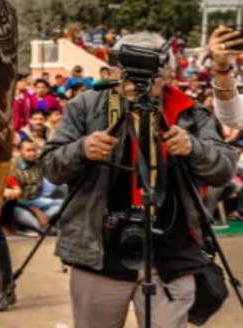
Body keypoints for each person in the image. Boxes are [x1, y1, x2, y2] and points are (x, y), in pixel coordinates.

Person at [40, 32, 238, 328]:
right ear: (116, 69)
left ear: (168, 73)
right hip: (100, 254)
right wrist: (81, 149)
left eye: (153, 71)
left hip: (172, 255)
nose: (140, 81)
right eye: (130, 69)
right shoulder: (87, 106)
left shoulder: (189, 112)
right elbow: (51, 166)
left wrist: (193, 148)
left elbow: (224, 169)